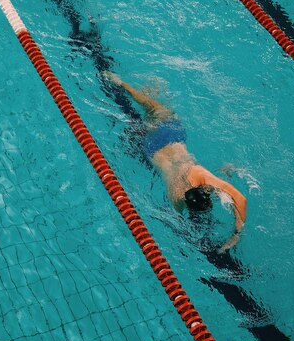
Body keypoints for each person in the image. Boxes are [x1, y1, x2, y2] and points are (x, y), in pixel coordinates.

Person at [105, 72, 247, 251]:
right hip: (150, 149)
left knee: (152, 106)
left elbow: (239, 197)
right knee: (143, 117)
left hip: (170, 135)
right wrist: (236, 233)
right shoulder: (176, 199)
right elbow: (238, 199)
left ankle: (122, 83)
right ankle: (136, 88)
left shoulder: (198, 174)